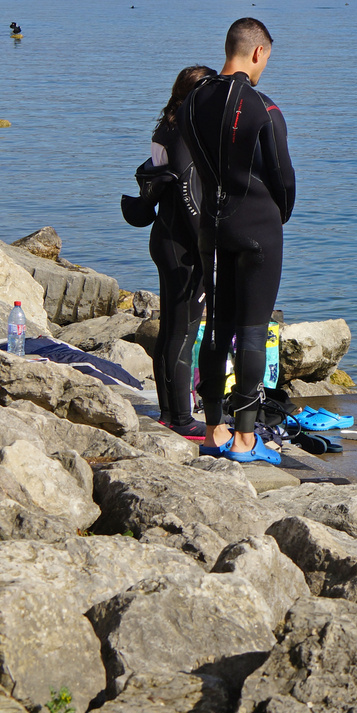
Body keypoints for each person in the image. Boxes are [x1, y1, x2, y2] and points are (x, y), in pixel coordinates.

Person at [181, 18, 296, 464]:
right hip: (258, 226)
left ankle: (213, 430)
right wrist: (276, 215)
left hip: (212, 223)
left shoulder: (192, 101)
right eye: (267, 58)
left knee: (216, 327)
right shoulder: (263, 107)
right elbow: (283, 177)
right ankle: (246, 438)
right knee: (251, 329)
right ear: (257, 52)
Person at [144, 64, 214, 439]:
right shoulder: (185, 132)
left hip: (165, 238)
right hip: (183, 245)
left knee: (170, 328)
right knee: (183, 331)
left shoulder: (165, 127)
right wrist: (209, 249)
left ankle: (168, 412)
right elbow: (190, 195)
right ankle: (182, 419)